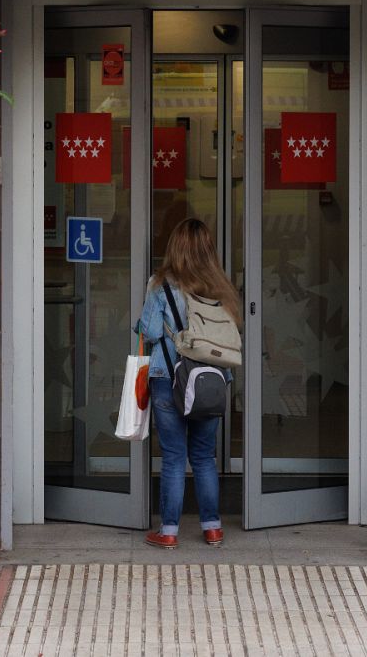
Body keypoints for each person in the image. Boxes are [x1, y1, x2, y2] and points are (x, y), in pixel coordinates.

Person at [135, 217, 242, 548]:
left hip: (169, 378)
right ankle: (213, 528)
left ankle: (168, 532)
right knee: (204, 456)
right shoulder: (220, 287)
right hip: (210, 379)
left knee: (173, 456)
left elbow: (150, 331)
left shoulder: (161, 284)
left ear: (175, 248)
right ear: (208, 251)